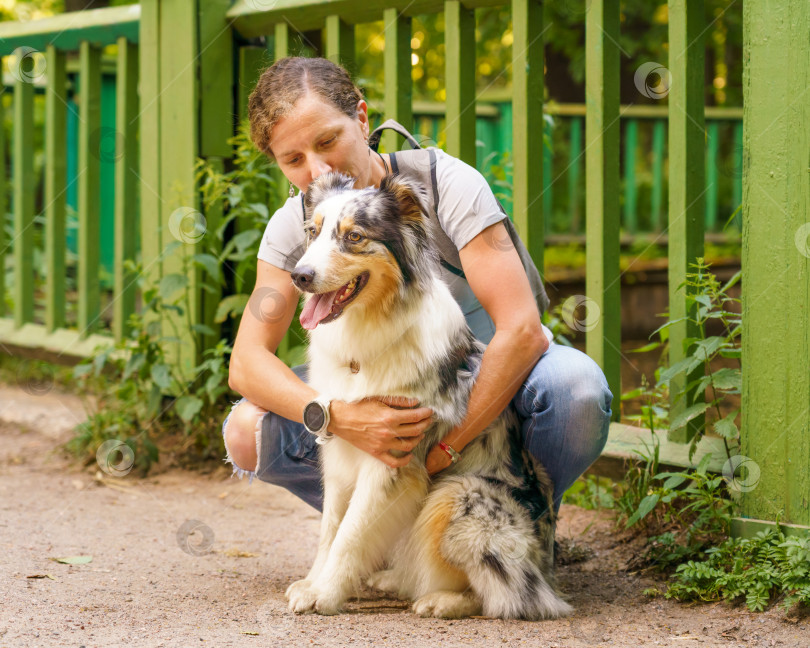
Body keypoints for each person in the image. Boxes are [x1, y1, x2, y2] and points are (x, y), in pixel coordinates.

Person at [222, 56, 612, 516]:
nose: (318, 168)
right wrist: (337, 415)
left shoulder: (445, 184)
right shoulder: (294, 224)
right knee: (246, 429)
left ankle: (521, 525)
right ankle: (390, 535)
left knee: (576, 389)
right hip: (378, 391)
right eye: (293, 159)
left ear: (361, 118)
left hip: (478, 386)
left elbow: (522, 331)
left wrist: (440, 454)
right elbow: (247, 363)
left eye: (327, 140)